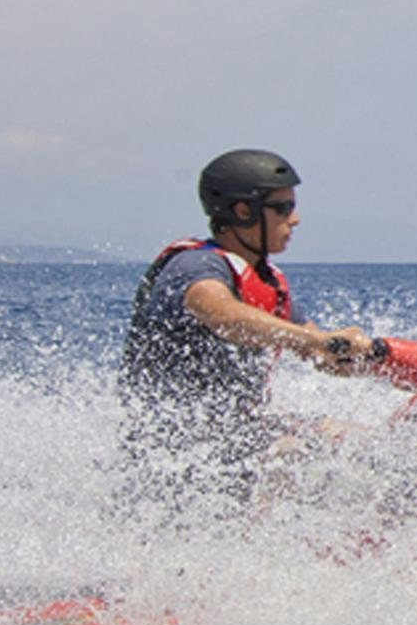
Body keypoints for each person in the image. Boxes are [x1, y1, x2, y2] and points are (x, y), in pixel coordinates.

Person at [119, 148, 369, 495]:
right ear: (242, 211)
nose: (294, 219)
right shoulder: (194, 267)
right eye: (283, 208)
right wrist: (311, 341)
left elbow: (317, 346)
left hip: (238, 435)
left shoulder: (266, 282)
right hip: (177, 453)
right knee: (292, 453)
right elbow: (221, 313)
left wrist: (352, 352)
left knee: (358, 439)